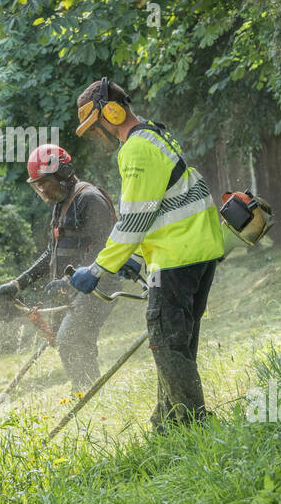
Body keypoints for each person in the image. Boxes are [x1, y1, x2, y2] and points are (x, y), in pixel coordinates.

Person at [69, 78, 225, 432]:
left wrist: (96, 269)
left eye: (97, 126)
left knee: (167, 343)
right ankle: (167, 424)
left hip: (176, 257)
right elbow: (161, 204)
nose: (98, 135)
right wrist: (138, 259)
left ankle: (195, 429)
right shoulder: (156, 134)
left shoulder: (135, 149)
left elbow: (135, 218)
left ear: (112, 111)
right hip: (196, 251)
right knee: (176, 342)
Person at [0, 143, 118, 391]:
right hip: (73, 289)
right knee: (68, 343)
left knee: (71, 339)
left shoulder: (89, 199)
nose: (41, 190)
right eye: (36, 185)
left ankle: (87, 394)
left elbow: (107, 248)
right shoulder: (61, 204)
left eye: (44, 182)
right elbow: (52, 252)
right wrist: (19, 283)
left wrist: (72, 279)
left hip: (98, 285)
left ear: (63, 174)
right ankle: (86, 393)